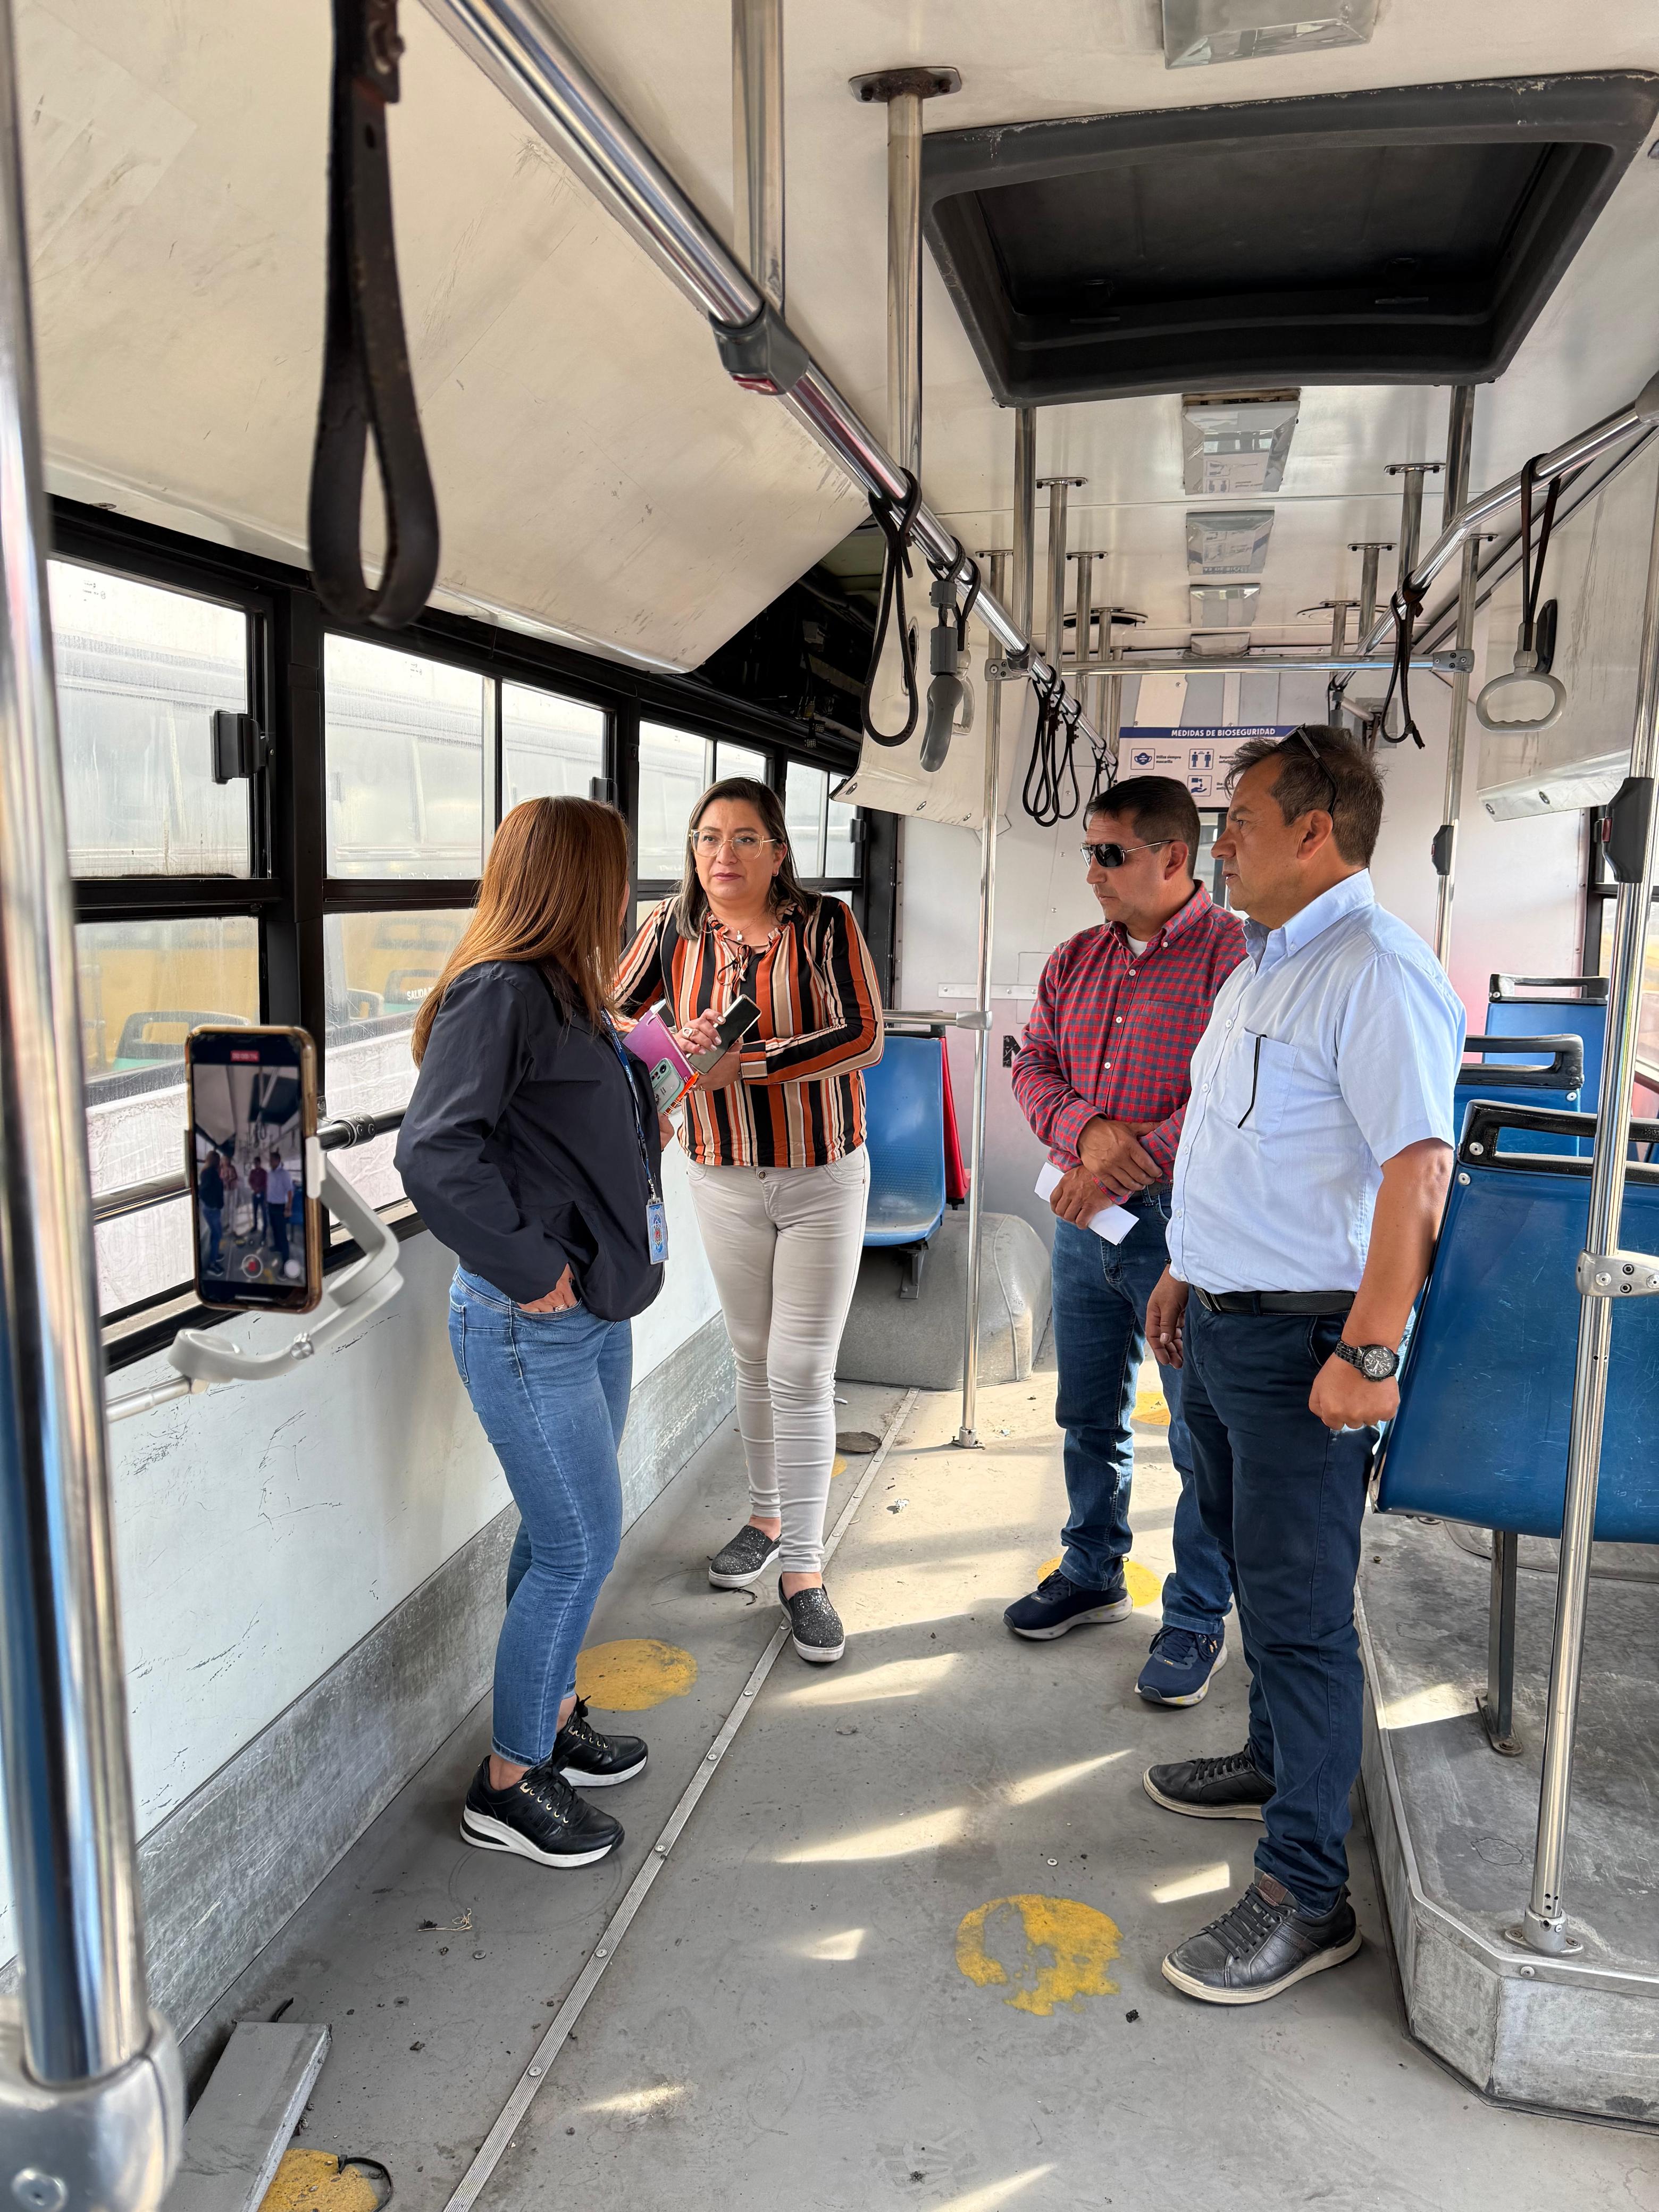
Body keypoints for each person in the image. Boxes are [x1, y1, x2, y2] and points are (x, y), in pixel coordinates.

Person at [1143, 727, 1463, 2005]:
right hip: (1225, 1320)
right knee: (1248, 1562)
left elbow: (1417, 1171)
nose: (1220, 843)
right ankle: (1276, 1761)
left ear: (1313, 831)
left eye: (1238, 822)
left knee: (1299, 1608)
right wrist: (1183, 1265)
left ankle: (1306, 1892)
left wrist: (1369, 1350)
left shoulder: (1375, 970)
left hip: (1304, 1346)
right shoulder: (1264, 965)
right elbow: (1233, 1146)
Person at [397, 796, 663, 1871]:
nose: (629, 892)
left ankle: (546, 1717)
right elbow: (434, 1151)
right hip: (530, 1322)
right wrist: (530, 1265)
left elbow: (564, 1130)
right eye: (617, 872)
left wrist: (660, 1069)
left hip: (594, 1315)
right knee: (579, 1545)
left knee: (559, 1536)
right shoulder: (502, 991)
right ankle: (506, 1784)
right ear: (578, 880)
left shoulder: (569, 990)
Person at [617, 776, 883, 1666]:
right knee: (752, 1353)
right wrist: (673, 1043)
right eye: (706, 837)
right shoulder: (670, 927)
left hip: (821, 1175)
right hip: (721, 1172)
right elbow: (613, 1020)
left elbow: (864, 1035)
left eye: (742, 838)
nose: (721, 855)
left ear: (778, 851)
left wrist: (751, 1064)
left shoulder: (826, 924)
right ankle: (767, 1517)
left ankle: (803, 1571)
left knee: (801, 1368)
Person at [1006, 777, 1247, 1706]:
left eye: (1110, 855)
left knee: (1196, 1432)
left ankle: (1196, 1613)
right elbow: (1034, 1064)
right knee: (1087, 1411)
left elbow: (1229, 1102)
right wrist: (1087, 1132)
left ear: (1174, 857)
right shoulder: (1076, 958)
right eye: (1090, 853)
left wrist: (1119, 1165)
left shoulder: (1235, 959)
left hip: (1185, 1229)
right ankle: (1092, 1566)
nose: (1093, 873)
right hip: (1083, 1220)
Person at [265, 1150, 292, 1272]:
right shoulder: (270, 1173)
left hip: (281, 1207)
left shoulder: (284, 1174)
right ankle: (277, 1247)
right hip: (271, 1206)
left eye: (271, 1160)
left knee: (282, 1234)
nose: (270, 1162)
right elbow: (269, 1188)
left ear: (277, 1161)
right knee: (275, 1229)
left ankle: (286, 1261)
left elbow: (290, 1192)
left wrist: (288, 1208)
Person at [198, 1147, 225, 1272]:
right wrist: (213, 1204)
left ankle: (215, 1255)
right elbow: (203, 1192)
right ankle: (212, 1265)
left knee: (217, 1234)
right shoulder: (210, 1173)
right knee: (217, 1235)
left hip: (213, 1210)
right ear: (216, 1161)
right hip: (212, 1210)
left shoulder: (211, 1172)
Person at [248, 1153, 269, 1242]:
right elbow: (250, 1181)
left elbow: (266, 1184)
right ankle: (255, 1226)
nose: (256, 1165)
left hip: (263, 1195)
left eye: (257, 1163)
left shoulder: (264, 1172)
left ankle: (264, 1232)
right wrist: (254, 1188)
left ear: (260, 1163)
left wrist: (260, 1190)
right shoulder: (252, 1172)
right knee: (255, 1212)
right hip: (255, 1194)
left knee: (264, 1214)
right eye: (254, 1163)